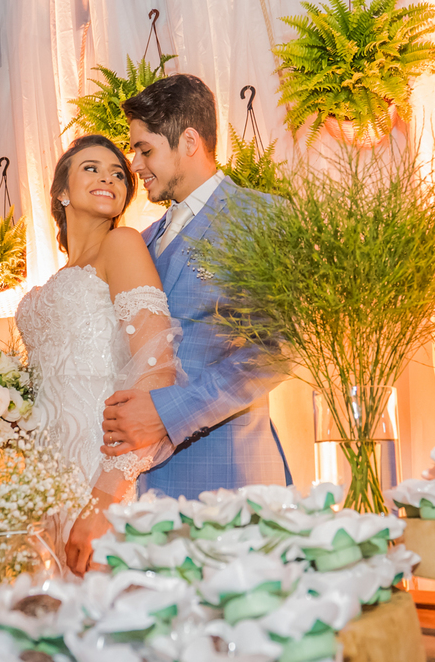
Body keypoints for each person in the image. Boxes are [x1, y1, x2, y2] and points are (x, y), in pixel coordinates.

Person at [98, 73, 291, 498]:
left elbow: (274, 354)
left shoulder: (261, 217)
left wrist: (168, 413)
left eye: (145, 149)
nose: (134, 165)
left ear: (189, 141)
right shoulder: (140, 241)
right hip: (140, 486)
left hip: (227, 479)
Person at [15, 134, 181, 577]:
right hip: (43, 481)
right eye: (91, 168)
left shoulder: (122, 244)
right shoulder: (51, 282)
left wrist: (105, 495)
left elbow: (155, 365)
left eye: (117, 174)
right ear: (62, 192)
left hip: (99, 470)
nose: (108, 177)